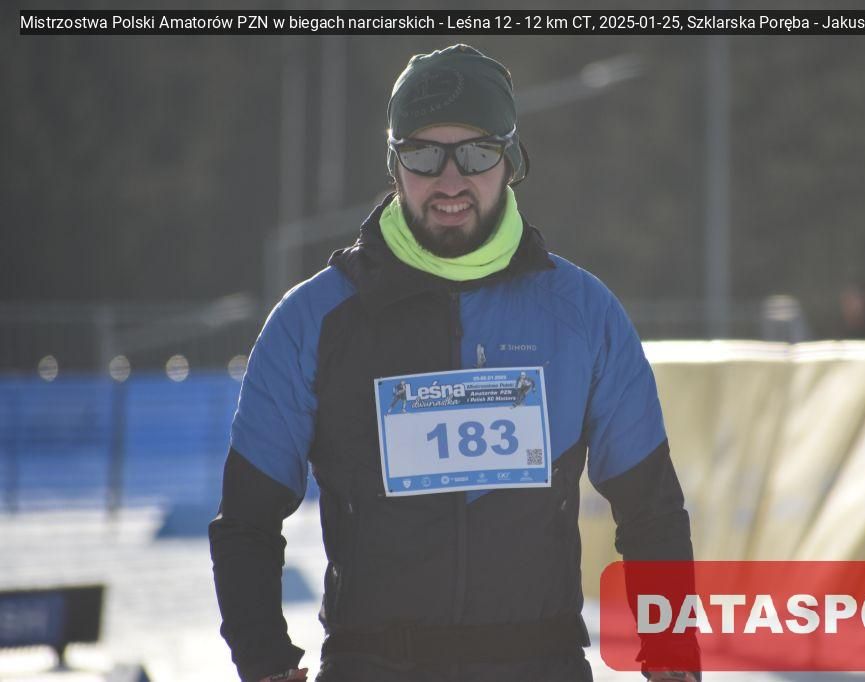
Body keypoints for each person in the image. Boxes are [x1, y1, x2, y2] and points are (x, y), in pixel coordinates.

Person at [209, 44, 698, 682]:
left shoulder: (583, 315)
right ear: (393, 163)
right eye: (422, 155)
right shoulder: (312, 322)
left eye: (475, 153)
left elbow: (651, 511)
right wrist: (265, 663)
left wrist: (673, 657)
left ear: (511, 160)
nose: (449, 181)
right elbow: (247, 521)